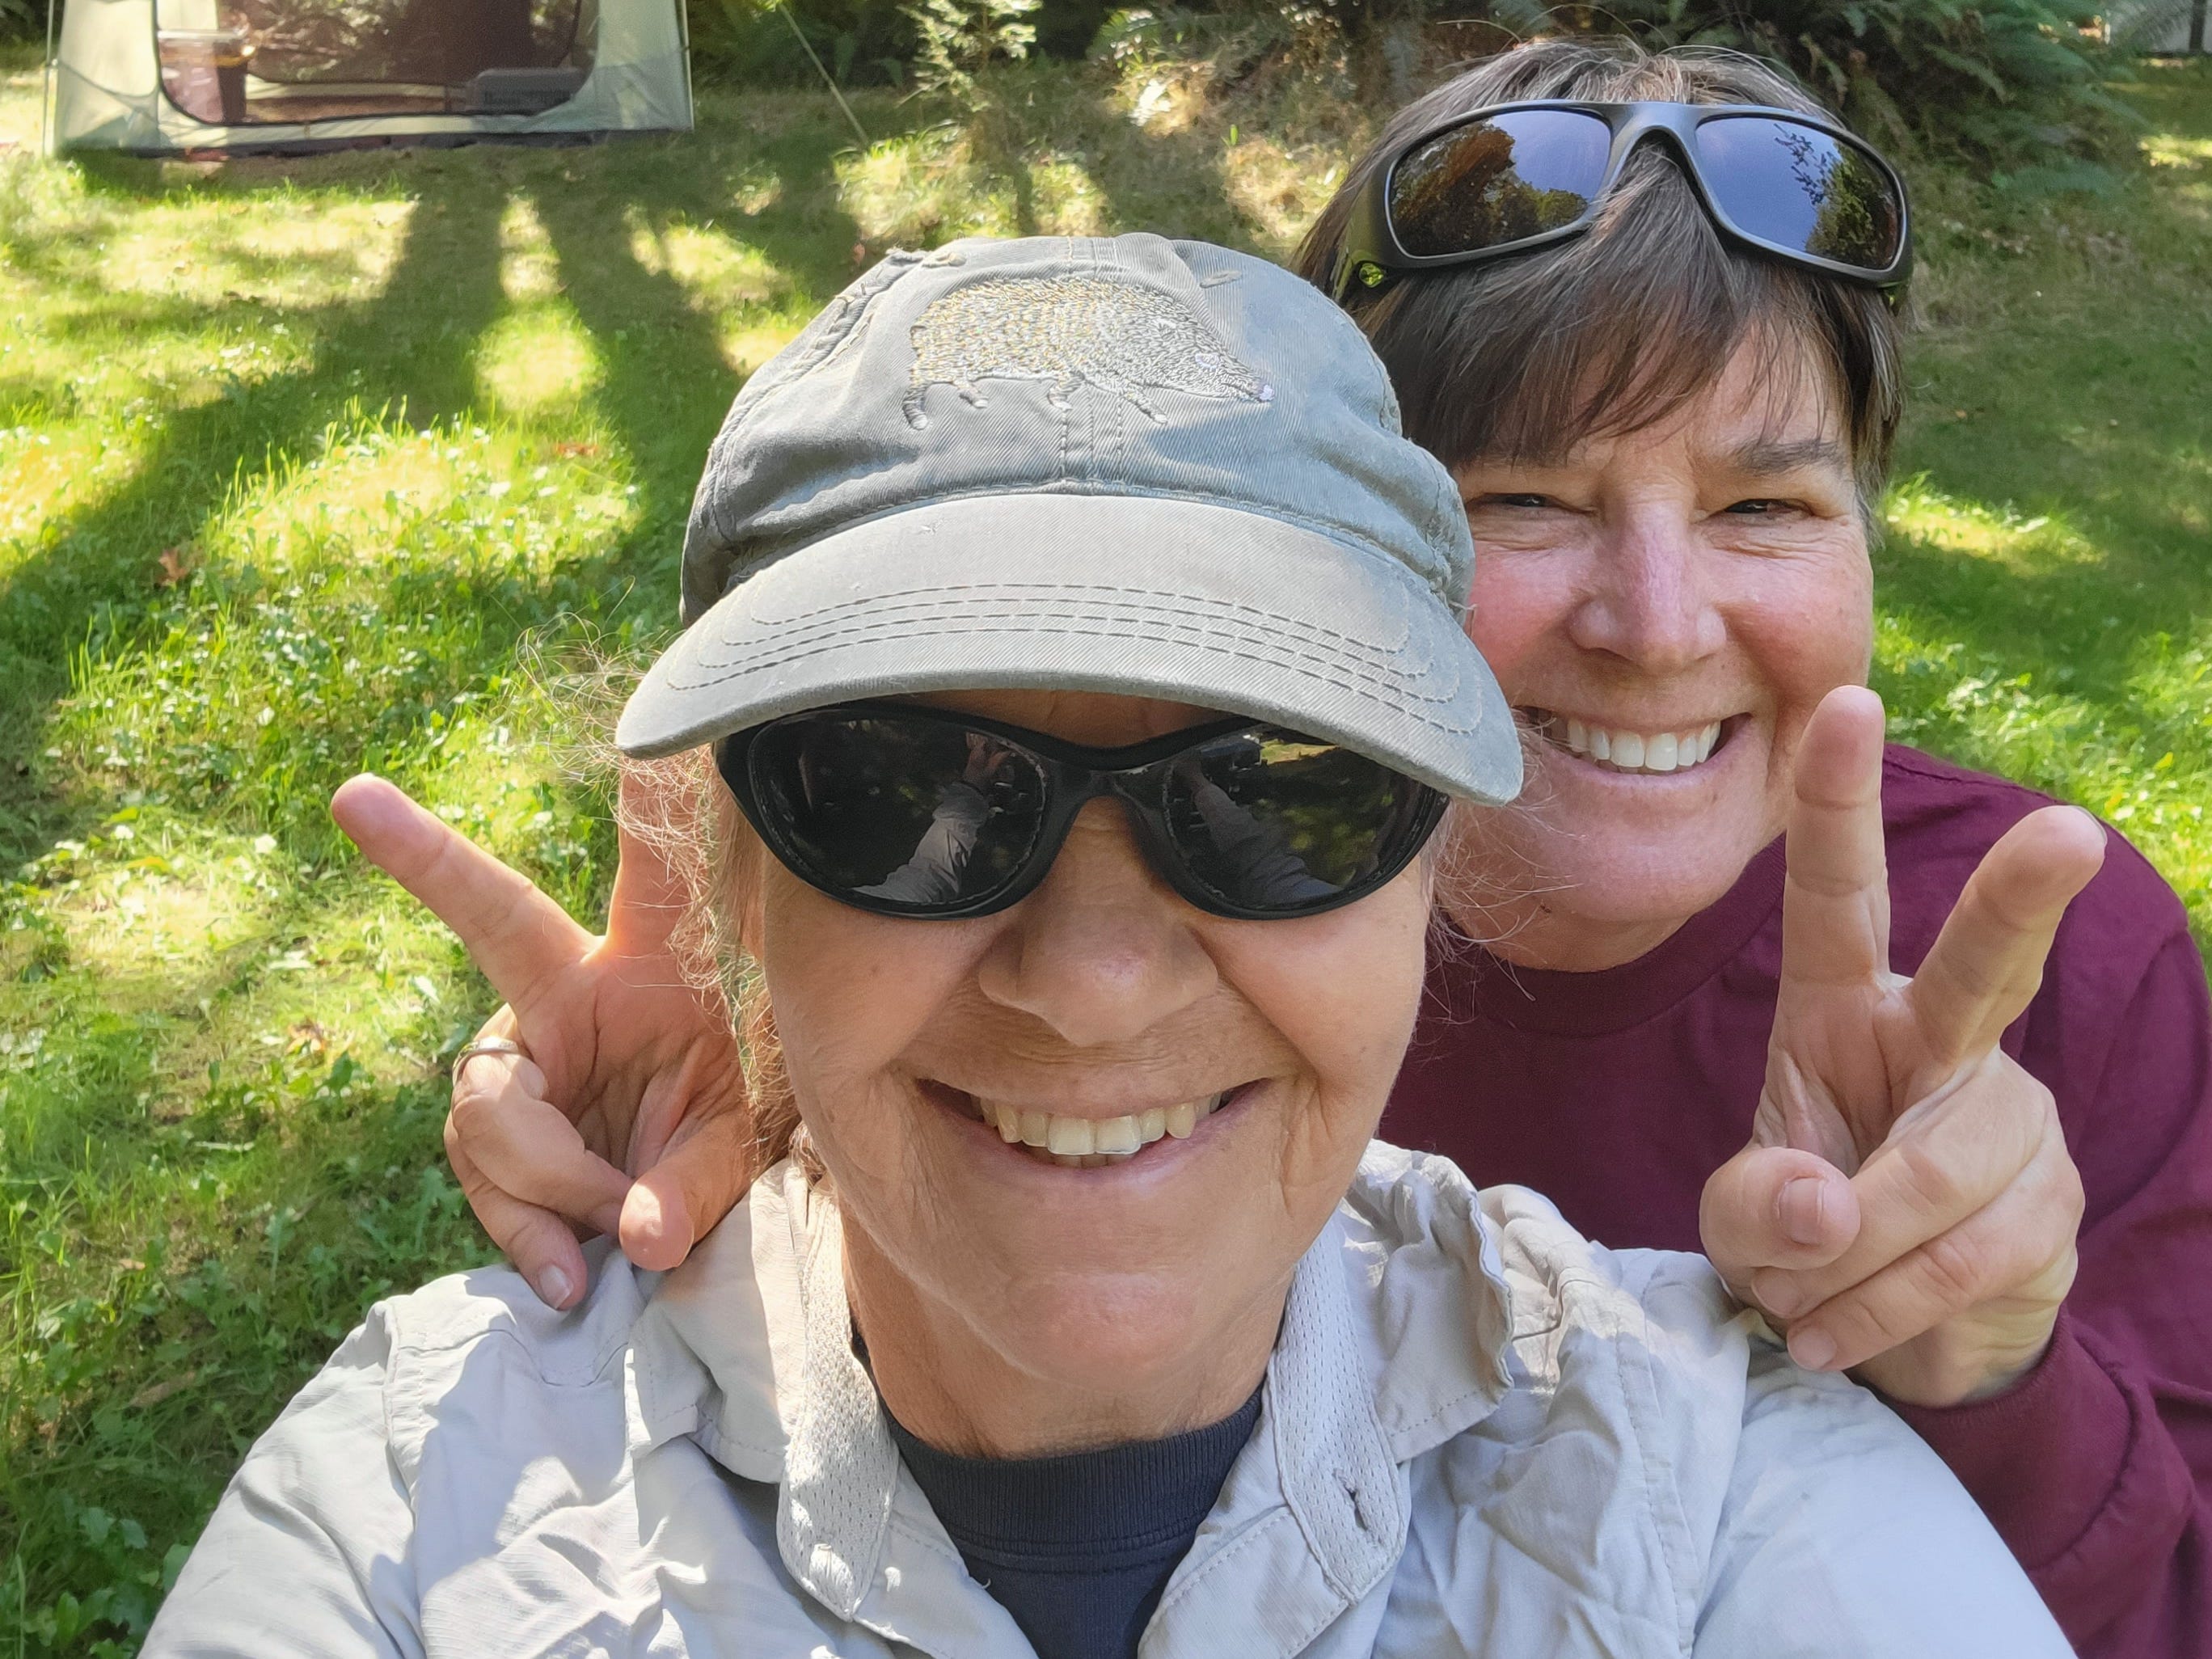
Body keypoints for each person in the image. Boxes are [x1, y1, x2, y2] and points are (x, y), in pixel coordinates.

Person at [349, 41, 2209, 1659]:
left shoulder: (2033, 961)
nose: (1659, 620)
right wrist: (747, 1083)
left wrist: (1989, 1370)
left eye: (1767, 505)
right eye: (1531, 504)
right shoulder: (1115, 941)